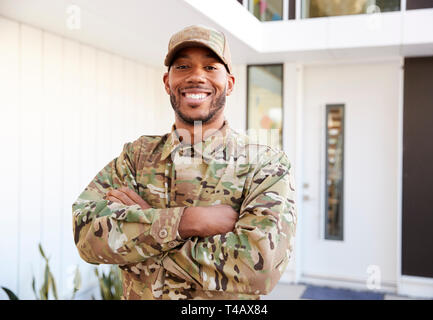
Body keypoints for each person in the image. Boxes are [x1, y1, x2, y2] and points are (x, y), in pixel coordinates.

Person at [72, 25, 297, 300]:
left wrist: (145, 227)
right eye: (183, 66)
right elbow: (86, 237)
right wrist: (189, 222)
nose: (196, 76)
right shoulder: (136, 156)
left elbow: (259, 269)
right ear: (167, 82)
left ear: (230, 83)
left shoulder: (265, 164)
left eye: (211, 67)